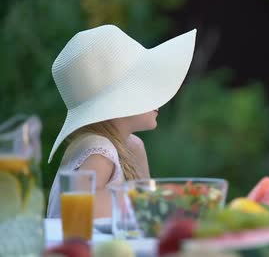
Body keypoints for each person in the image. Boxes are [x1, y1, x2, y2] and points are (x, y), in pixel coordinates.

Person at [46, 24, 196, 218]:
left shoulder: (130, 146)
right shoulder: (99, 149)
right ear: (119, 100)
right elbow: (81, 210)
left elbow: (148, 219)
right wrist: (159, 200)